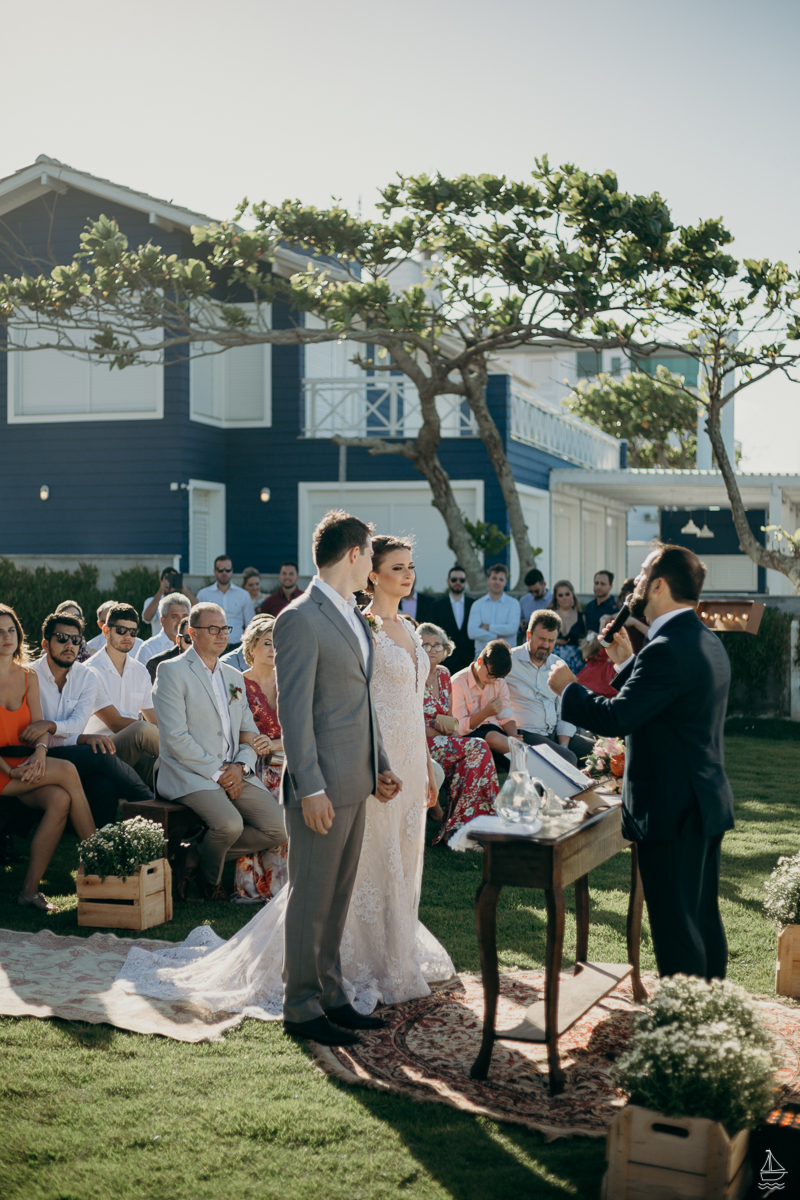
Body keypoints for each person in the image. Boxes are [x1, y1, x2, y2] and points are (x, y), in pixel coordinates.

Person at [116, 515, 455, 1043]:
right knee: (311, 898)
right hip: (321, 787)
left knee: (338, 898)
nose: (372, 565)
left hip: (361, 780)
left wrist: (383, 765)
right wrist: (312, 788)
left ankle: (333, 995)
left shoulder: (350, 616)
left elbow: (363, 705)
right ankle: (301, 1008)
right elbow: (295, 714)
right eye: (370, 555)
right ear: (352, 555)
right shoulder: (300, 617)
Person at [549, 543, 734, 981]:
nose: (636, 584)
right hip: (703, 803)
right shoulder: (704, 639)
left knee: (676, 929)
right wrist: (629, 662)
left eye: (643, 574)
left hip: (673, 810)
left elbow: (617, 717)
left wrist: (568, 687)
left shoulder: (666, 647)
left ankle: (684, 1028)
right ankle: (713, 1014)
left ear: (660, 585)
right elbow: (669, 704)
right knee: (702, 920)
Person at [152, 603, 287, 902]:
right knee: (229, 824)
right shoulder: (172, 671)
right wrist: (219, 772)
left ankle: (195, 856)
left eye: (224, 629)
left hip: (234, 769)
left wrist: (241, 766)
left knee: (278, 828)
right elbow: (175, 738)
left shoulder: (232, 676)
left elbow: (247, 732)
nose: (221, 635)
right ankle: (210, 883)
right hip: (189, 772)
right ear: (192, 632)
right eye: (212, 629)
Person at [0, 604, 96, 912]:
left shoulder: (28, 675)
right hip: (3, 769)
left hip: (24, 765)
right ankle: (100, 857)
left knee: (59, 800)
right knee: (67, 769)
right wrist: (10, 771)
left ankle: (28, 892)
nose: (6, 637)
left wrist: (40, 753)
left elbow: (38, 725)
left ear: (19, 635)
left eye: (11, 630)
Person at [23, 612, 154, 825]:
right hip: (37, 751)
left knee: (105, 785)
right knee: (100, 753)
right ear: (46, 644)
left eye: (76, 640)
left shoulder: (86, 676)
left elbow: (77, 725)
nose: (70, 645)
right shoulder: (29, 675)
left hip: (71, 748)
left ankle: (102, 844)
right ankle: (149, 802)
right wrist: (80, 738)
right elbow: (33, 731)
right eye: (62, 638)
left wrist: (51, 726)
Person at [419, 622, 499, 844]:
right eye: (426, 645)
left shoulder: (445, 674)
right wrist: (435, 729)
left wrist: (449, 726)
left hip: (443, 740)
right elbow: (407, 722)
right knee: (480, 746)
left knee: (471, 763)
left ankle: (458, 831)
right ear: (416, 648)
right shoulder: (412, 676)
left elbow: (452, 718)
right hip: (421, 743)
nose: (433, 649)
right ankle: (480, 822)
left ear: (445, 649)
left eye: (437, 645)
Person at [233, 615, 289, 903]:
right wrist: (254, 742)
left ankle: (292, 882)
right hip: (251, 761)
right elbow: (230, 730)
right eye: (267, 643)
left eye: (278, 644)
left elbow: (303, 730)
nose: (273, 649)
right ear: (251, 648)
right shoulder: (238, 683)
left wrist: (276, 744)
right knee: (276, 789)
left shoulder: (290, 682)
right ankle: (256, 883)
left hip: (287, 757)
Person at [84, 604, 159, 787]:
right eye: (121, 630)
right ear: (105, 631)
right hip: (99, 750)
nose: (127, 636)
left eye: (133, 632)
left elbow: (154, 720)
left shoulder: (140, 670)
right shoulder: (90, 671)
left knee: (166, 769)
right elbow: (116, 723)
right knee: (142, 729)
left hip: (135, 749)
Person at [506, 610, 593, 766]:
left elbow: (565, 711)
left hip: (554, 733)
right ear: (528, 635)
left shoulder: (558, 665)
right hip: (526, 734)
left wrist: (563, 745)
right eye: (541, 639)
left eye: (551, 640)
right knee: (568, 758)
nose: (545, 645)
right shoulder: (510, 661)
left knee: (597, 752)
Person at [450, 640, 517, 761]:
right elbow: (458, 726)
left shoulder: (498, 680)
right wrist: (485, 713)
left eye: (497, 677)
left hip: (497, 733)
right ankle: (524, 752)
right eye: (491, 675)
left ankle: (520, 751)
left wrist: (514, 736)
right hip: (470, 735)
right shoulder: (457, 683)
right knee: (493, 738)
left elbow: (506, 714)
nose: (492, 681)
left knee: (509, 740)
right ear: (480, 661)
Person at [197, 555, 256, 648]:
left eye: (227, 570)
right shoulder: (204, 595)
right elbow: (197, 623)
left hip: (237, 647)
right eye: (220, 570)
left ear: (232, 570)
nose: (224, 573)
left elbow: (251, 624)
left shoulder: (243, 595)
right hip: (211, 646)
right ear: (215, 571)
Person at [467, 564, 521, 656]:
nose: (497, 582)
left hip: (507, 656)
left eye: (501, 579)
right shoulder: (478, 604)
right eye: (494, 578)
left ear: (505, 582)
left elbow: (512, 629)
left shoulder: (513, 604)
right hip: (482, 656)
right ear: (488, 580)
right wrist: (497, 637)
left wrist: (488, 628)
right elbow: (472, 632)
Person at [431, 565, 475, 676]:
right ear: (448, 581)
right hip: (446, 660)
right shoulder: (437, 606)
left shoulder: (474, 604)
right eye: (454, 579)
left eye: (462, 580)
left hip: (469, 659)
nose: (458, 582)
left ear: (466, 581)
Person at [136, 593, 190, 668]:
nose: (180, 621)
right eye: (175, 616)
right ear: (162, 621)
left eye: (185, 616)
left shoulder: (195, 646)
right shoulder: (148, 649)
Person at [142, 568, 197, 637]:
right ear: (161, 581)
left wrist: (183, 588)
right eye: (168, 580)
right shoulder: (151, 601)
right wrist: (161, 590)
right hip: (159, 644)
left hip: (180, 642)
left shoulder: (183, 602)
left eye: (173, 580)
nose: (170, 583)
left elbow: (199, 608)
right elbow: (147, 617)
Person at [549, 580, 586, 673]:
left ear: (572, 595)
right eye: (560, 595)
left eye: (567, 594)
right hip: (553, 664)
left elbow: (586, 640)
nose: (564, 598)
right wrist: (555, 642)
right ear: (556, 598)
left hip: (577, 665)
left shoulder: (582, 617)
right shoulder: (549, 616)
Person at [145, 616, 193, 681]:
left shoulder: (209, 663)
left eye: (199, 640)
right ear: (178, 640)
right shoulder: (156, 664)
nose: (194, 645)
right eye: (189, 639)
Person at [617, 576, 649, 654]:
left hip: (642, 653)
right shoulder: (622, 610)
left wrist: (635, 623)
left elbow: (654, 633)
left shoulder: (646, 611)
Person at [518, 569, 553, 634]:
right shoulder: (524, 601)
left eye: (536, 591)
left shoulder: (554, 599)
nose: (534, 594)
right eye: (530, 592)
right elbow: (518, 622)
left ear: (544, 584)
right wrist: (521, 624)